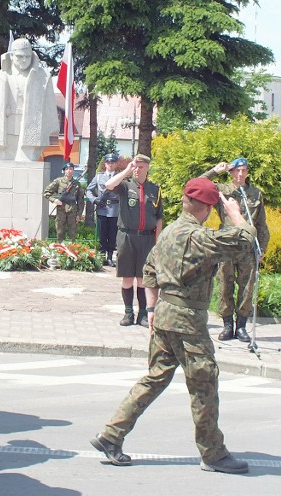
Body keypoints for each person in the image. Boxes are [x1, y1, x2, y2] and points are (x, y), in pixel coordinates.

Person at [91, 177, 254, 475]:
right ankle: (213, 453)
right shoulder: (197, 237)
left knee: (154, 378)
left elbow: (149, 270)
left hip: (166, 313)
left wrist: (152, 308)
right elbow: (245, 240)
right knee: (204, 383)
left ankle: (111, 435)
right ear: (206, 207)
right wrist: (233, 213)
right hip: (187, 320)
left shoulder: (168, 233)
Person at [201, 158, 269, 342]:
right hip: (227, 246)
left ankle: (241, 326)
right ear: (231, 173)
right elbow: (198, 185)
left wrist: (262, 248)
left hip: (247, 247)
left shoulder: (255, 193)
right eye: (237, 171)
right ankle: (227, 326)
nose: (241, 174)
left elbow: (261, 224)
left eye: (244, 170)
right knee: (224, 285)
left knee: (247, 288)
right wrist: (216, 170)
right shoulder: (222, 191)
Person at [105, 154, 162, 327]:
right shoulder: (125, 185)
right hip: (127, 237)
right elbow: (108, 185)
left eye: (141, 167)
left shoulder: (155, 189)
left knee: (143, 279)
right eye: (135, 167)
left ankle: (143, 314)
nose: (137, 170)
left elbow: (159, 217)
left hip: (147, 238)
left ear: (148, 168)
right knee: (127, 278)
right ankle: (128, 313)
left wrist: (158, 241)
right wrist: (126, 171)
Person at [0, 38, 58, 161]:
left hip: (31, 127)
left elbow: (49, 106)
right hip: (7, 128)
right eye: (20, 56)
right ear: (12, 56)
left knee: (27, 159)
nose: (24, 60)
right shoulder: (1, 76)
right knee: (4, 159)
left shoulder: (42, 77)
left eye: (27, 57)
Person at [86, 154, 120, 266]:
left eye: (113, 163)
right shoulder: (99, 177)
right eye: (108, 163)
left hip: (115, 209)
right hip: (102, 209)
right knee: (102, 234)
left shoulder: (119, 177)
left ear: (116, 164)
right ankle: (101, 256)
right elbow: (89, 190)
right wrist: (95, 200)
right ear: (105, 164)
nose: (110, 165)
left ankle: (110, 257)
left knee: (112, 234)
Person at [43, 162, 84, 243]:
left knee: (73, 233)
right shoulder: (58, 181)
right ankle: (60, 249)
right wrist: (55, 200)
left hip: (73, 211)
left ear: (73, 171)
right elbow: (46, 193)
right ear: (64, 171)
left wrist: (79, 214)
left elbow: (80, 200)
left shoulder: (77, 184)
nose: (69, 171)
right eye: (67, 169)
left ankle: (72, 250)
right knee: (60, 232)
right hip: (61, 211)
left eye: (71, 169)